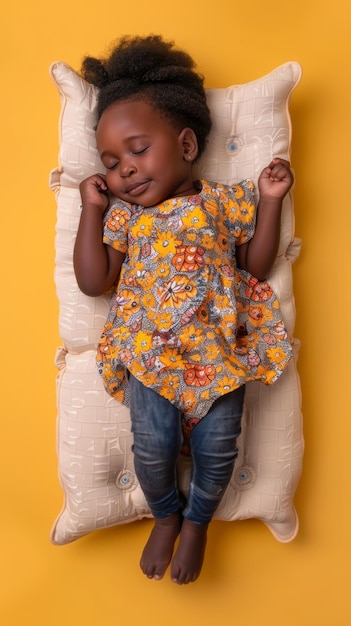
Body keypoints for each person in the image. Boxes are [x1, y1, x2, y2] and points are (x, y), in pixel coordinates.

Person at [73, 35, 294, 585]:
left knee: (220, 445)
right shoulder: (126, 217)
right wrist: (91, 209)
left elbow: (257, 266)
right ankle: (167, 514)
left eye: (138, 149)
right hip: (150, 352)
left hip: (218, 352)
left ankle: (198, 521)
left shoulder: (223, 202)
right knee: (153, 444)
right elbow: (93, 280)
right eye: (112, 162)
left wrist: (269, 202)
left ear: (188, 144)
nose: (125, 169)